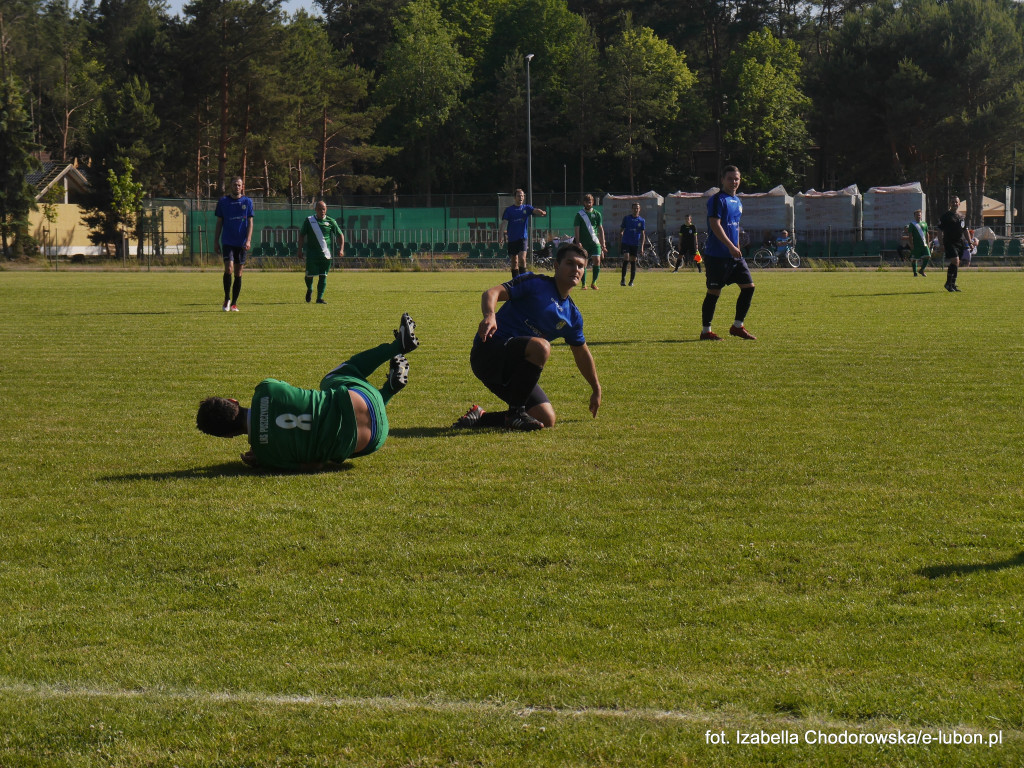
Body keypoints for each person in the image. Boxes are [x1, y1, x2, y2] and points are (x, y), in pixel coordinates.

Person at [196, 313, 420, 470]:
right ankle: (397, 347)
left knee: (332, 442)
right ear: (232, 400)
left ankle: (389, 389)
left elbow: (314, 465)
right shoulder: (265, 389)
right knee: (331, 380)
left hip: (373, 441)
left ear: (228, 436)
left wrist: (264, 455)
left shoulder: (268, 457)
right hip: (365, 399)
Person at [452, 243, 601, 431]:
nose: (576, 269)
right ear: (556, 265)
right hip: (489, 353)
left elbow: (581, 353)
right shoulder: (535, 283)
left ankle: (479, 418)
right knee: (542, 346)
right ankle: (516, 412)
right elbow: (492, 293)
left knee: (545, 419)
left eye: (580, 266)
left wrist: (596, 388)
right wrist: (490, 316)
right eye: (570, 263)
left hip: (515, 372)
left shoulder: (572, 316)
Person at [700, 165, 756, 341]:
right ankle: (706, 331)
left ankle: (738, 326)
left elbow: (735, 226)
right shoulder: (717, 200)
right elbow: (715, 225)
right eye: (730, 178)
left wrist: (737, 246)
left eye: (737, 179)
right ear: (723, 180)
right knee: (714, 292)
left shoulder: (738, 201)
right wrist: (731, 246)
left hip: (734, 256)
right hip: (717, 255)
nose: (734, 182)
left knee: (749, 287)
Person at [214, 176, 254, 311]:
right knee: (228, 268)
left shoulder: (247, 202)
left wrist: (248, 240)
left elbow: (250, 223)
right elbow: (219, 223)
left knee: (238, 272)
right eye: (234, 184)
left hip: (242, 243)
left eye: (239, 185)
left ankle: (234, 303)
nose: (237, 187)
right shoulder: (223, 201)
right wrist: (216, 241)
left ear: (242, 186)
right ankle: (226, 299)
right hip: (228, 241)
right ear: (230, 186)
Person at [297, 200, 345, 304]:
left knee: (323, 275)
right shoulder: (309, 221)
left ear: (326, 209)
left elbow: (340, 235)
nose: (322, 211)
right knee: (309, 276)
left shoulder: (331, 221)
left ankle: (319, 298)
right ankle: (309, 289)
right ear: (315, 210)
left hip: (326, 254)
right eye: (319, 209)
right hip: (312, 255)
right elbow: (301, 235)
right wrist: (299, 249)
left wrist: (341, 249)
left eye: (323, 209)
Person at [499, 189, 547, 279]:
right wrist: (500, 235)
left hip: (523, 238)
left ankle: (523, 280)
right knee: (514, 261)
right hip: (512, 238)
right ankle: (516, 280)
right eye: (518, 196)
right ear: (515, 197)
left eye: (522, 196)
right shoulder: (509, 210)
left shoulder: (526, 208)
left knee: (522, 258)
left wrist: (540, 212)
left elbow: (534, 210)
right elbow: (504, 223)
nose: (520, 197)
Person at [574, 194, 606, 289]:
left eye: (590, 202)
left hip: (595, 242)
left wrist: (603, 243)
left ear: (593, 202)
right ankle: (584, 284)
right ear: (584, 203)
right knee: (584, 263)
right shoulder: (579, 214)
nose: (588, 203)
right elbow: (577, 228)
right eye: (587, 202)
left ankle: (594, 282)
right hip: (584, 243)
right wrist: (578, 241)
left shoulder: (597, 214)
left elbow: (600, 229)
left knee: (597, 260)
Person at [938, 196, 968, 292]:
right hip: (949, 242)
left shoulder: (961, 216)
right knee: (955, 260)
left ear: (959, 204)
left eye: (956, 202)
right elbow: (939, 231)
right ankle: (948, 283)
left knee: (956, 263)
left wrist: (970, 242)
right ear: (950, 204)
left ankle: (952, 284)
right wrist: (941, 244)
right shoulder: (945, 216)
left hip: (960, 242)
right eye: (952, 202)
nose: (954, 203)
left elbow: (965, 230)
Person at [619, 202, 646, 286]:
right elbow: (621, 230)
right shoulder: (626, 218)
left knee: (633, 260)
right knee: (626, 258)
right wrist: (620, 236)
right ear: (632, 209)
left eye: (637, 208)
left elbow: (643, 234)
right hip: (626, 242)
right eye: (634, 208)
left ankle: (631, 281)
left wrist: (642, 246)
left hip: (635, 243)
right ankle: (623, 279)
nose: (636, 210)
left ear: (639, 209)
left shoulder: (641, 220)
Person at [905, 209, 930, 277]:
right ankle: (915, 272)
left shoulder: (924, 224)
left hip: (924, 244)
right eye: (917, 215)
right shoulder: (912, 224)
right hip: (916, 245)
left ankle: (922, 270)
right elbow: (910, 235)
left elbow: (927, 234)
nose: (918, 216)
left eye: (919, 215)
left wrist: (928, 243)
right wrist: (911, 244)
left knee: (928, 256)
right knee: (914, 259)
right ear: (914, 216)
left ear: (921, 216)